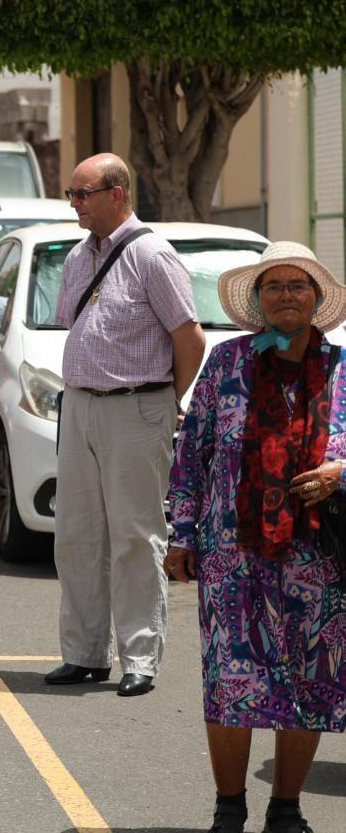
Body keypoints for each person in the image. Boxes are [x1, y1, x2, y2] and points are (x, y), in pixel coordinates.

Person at [166, 243, 346, 833]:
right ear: (258, 301)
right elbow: (192, 453)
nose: (287, 295)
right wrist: (182, 534)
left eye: (299, 286)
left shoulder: (342, 369)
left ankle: (286, 808)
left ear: (317, 300)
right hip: (231, 554)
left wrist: (338, 473)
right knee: (230, 679)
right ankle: (229, 807)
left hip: (318, 560)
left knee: (310, 682)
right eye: (275, 286)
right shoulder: (226, 363)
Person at [46, 153, 205, 698]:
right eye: (71, 194)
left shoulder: (152, 254)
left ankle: (139, 656)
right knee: (77, 534)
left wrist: (163, 400)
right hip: (81, 406)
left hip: (136, 406)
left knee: (135, 536)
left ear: (117, 194)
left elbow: (190, 337)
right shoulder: (76, 256)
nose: (74, 204)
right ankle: (86, 654)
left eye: (82, 194)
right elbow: (76, 324)